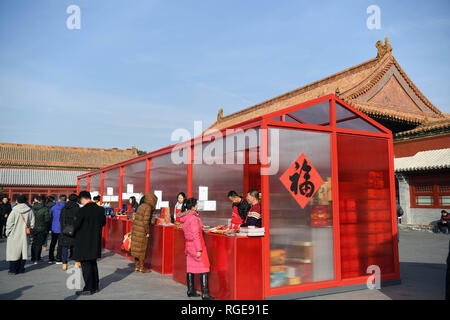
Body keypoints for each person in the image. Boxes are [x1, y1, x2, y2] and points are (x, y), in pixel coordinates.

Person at [179, 198, 213, 300]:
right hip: (196, 245)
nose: (197, 206)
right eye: (196, 205)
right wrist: (199, 249)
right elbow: (196, 235)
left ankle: (190, 290)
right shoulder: (193, 218)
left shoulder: (185, 217)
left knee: (190, 268)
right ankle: (205, 293)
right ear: (193, 207)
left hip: (188, 245)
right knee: (204, 268)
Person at [73, 191, 106, 296]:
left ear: (82, 199)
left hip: (84, 241)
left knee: (86, 265)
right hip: (95, 240)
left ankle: (88, 288)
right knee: (93, 263)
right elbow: (103, 223)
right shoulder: (100, 209)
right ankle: (95, 286)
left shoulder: (82, 211)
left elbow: (76, 225)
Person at [6, 195, 35, 275]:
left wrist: (8, 232)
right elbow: (32, 223)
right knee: (23, 251)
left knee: (14, 252)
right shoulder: (30, 210)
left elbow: (9, 223)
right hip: (25, 234)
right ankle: (21, 268)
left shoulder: (14, 211)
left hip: (14, 234)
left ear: (17, 201)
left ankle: (13, 270)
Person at [130, 192, 157, 273]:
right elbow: (145, 221)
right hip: (142, 231)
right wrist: (147, 232)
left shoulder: (141, 206)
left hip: (136, 230)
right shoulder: (148, 207)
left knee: (136, 249)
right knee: (141, 250)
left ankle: (137, 266)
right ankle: (142, 267)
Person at [59, 194, 79, 271]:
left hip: (65, 230)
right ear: (76, 200)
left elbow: (61, 219)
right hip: (75, 230)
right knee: (76, 246)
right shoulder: (77, 209)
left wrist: (62, 228)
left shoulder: (64, 208)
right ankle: (77, 262)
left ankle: (64, 264)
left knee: (65, 246)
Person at [30, 195, 50, 264]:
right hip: (42, 228)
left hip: (33, 228)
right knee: (39, 244)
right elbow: (47, 220)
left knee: (34, 243)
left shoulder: (32, 208)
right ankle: (37, 258)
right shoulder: (45, 209)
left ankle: (33, 258)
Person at [48, 195, 66, 264]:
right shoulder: (65, 207)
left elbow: (50, 216)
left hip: (54, 227)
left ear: (59, 199)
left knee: (53, 243)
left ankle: (50, 258)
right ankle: (59, 258)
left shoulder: (53, 207)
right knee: (60, 244)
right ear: (65, 200)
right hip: (62, 228)